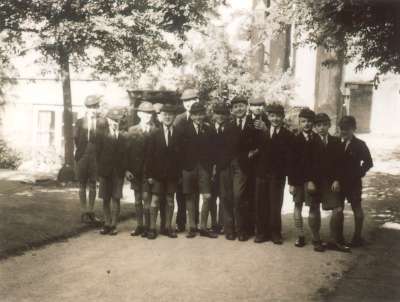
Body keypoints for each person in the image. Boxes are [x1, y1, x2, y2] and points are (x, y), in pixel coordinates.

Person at [253, 103, 293, 244]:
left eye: (278, 116)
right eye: (272, 116)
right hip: (262, 173)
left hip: (277, 175)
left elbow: (287, 157)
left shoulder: (287, 135)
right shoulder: (261, 132)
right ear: (268, 117)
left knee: (275, 204)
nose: (275, 119)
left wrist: (288, 177)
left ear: (282, 117)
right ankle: (261, 233)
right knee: (261, 204)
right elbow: (257, 151)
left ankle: (275, 232)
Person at [313, 113, 351, 252]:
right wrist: (310, 180)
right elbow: (306, 163)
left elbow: (341, 164)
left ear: (329, 125)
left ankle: (334, 240)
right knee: (313, 209)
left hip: (331, 181)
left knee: (338, 209)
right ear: (315, 127)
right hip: (315, 181)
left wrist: (337, 179)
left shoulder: (336, 142)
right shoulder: (311, 141)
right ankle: (316, 240)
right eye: (318, 125)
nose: (321, 128)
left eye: (324, 124)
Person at [179, 102, 218, 239]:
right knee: (190, 197)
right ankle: (192, 227)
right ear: (192, 115)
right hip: (188, 168)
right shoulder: (183, 129)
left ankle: (203, 227)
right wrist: (182, 169)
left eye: (201, 114)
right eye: (196, 114)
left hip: (204, 168)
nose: (199, 117)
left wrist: (213, 167)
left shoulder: (209, 129)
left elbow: (214, 151)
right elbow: (179, 151)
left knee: (207, 197)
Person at [288, 108, 324, 251]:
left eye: (309, 121)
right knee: (297, 206)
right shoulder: (294, 139)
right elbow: (290, 163)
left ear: (313, 123)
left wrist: (312, 180)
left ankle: (316, 237)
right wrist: (291, 183)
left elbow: (318, 163)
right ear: (299, 122)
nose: (307, 124)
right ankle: (300, 235)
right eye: (303, 121)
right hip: (297, 180)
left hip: (312, 181)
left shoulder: (317, 140)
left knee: (314, 207)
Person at [146, 104, 181, 239]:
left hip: (172, 175)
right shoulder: (154, 133)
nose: (168, 117)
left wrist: (178, 174)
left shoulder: (178, 133)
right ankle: (152, 228)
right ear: (160, 117)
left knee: (170, 200)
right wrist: (149, 175)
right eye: (165, 114)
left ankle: (167, 227)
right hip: (157, 175)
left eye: (170, 114)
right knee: (155, 201)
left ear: (174, 116)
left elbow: (181, 156)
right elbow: (149, 156)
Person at [338, 115, 373, 247]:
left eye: (347, 128)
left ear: (354, 129)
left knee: (357, 208)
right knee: (338, 208)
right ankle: (338, 237)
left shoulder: (360, 145)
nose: (344, 131)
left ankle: (357, 237)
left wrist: (359, 173)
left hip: (353, 183)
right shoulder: (336, 143)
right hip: (339, 182)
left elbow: (368, 162)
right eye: (342, 128)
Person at [224, 95, 253, 241]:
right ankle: (230, 230)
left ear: (246, 107)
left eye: (241, 105)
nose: (239, 109)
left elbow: (260, 145)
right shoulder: (228, 126)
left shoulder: (253, 124)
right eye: (236, 107)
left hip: (243, 167)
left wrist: (251, 153)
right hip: (228, 166)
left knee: (238, 196)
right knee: (228, 196)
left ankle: (241, 230)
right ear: (232, 110)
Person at [125, 102, 155, 238]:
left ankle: (149, 227)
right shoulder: (132, 130)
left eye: (150, 113)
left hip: (149, 172)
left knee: (146, 199)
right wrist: (127, 170)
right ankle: (140, 225)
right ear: (139, 114)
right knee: (137, 200)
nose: (148, 116)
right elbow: (126, 152)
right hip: (135, 171)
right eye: (145, 113)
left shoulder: (156, 130)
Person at [74, 94, 105, 225]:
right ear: (87, 108)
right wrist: (81, 152)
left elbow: (104, 140)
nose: (94, 109)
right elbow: (76, 138)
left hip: (95, 156)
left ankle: (91, 212)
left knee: (93, 184)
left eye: (96, 106)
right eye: (91, 107)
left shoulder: (102, 122)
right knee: (82, 184)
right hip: (82, 155)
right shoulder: (80, 122)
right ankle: (83, 212)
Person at [96, 106, 127, 235]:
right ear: (108, 120)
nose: (115, 123)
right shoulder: (101, 135)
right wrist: (99, 172)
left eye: (117, 120)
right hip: (105, 172)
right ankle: (107, 223)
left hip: (118, 172)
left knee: (116, 198)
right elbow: (97, 155)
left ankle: (114, 224)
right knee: (105, 198)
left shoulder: (124, 137)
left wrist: (125, 171)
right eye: (113, 120)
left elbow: (126, 156)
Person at [174, 89, 200, 233]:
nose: (189, 103)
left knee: (195, 194)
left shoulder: (203, 117)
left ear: (197, 100)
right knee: (181, 194)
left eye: (192, 100)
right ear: (183, 103)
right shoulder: (179, 119)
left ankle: (194, 222)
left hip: (198, 164)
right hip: (182, 164)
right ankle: (181, 222)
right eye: (186, 101)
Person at [209, 102, 232, 234]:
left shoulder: (230, 128)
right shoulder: (209, 128)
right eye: (218, 113)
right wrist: (212, 167)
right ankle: (214, 223)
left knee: (224, 196)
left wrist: (222, 165)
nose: (220, 116)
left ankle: (223, 223)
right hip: (211, 168)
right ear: (213, 114)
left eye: (223, 114)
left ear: (227, 115)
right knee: (212, 196)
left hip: (224, 167)